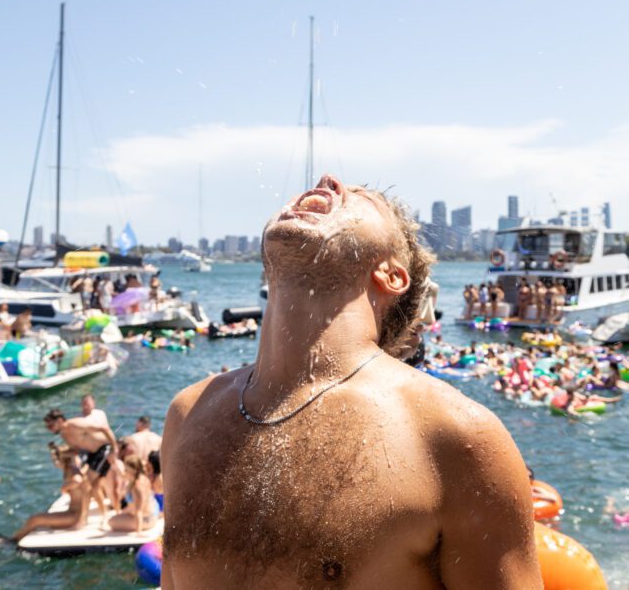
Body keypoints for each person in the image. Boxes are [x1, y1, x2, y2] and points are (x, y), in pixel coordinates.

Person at [161, 174, 541, 588]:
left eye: (365, 200)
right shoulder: (188, 413)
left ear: (391, 275)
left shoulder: (452, 435)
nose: (328, 179)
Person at [44, 408, 118, 519]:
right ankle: (100, 514)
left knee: (90, 484)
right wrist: (59, 452)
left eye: (50, 426)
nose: (49, 429)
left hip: (103, 449)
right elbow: (77, 450)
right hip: (92, 454)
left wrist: (114, 448)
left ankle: (99, 516)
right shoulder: (64, 434)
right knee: (92, 486)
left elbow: (104, 428)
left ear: (59, 421)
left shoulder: (76, 424)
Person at [11, 444, 89, 542]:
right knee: (36, 519)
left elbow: (77, 480)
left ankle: (12, 541)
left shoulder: (73, 473)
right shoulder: (73, 471)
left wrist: (64, 488)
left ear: (65, 459)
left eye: (56, 459)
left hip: (74, 517)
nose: (54, 462)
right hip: (74, 514)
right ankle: (16, 538)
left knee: (34, 520)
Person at [109, 455, 159, 534]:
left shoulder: (137, 486)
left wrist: (138, 532)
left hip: (146, 519)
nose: (125, 471)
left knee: (111, 522)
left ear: (133, 471)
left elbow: (139, 511)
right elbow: (123, 475)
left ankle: (139, 528)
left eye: (126, 469)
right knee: (116, 517)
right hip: (152, 513)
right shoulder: (141, 477)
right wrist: (114, 464)